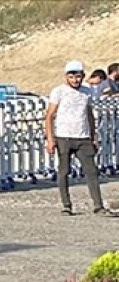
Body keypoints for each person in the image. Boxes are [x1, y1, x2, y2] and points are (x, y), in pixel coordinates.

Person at [45, 60, 110, 216]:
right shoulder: (58, 92)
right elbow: (49, 116)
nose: (75, 80)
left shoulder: (87, 92)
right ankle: (66, 205)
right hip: (64, 137)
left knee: (91, 171)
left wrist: (93, 135)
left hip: (83, 137)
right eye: (72, 77)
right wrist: (50, 139)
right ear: (66, 77)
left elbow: (89, 114)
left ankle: (98, 206)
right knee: (63, 171)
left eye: (78, 76)